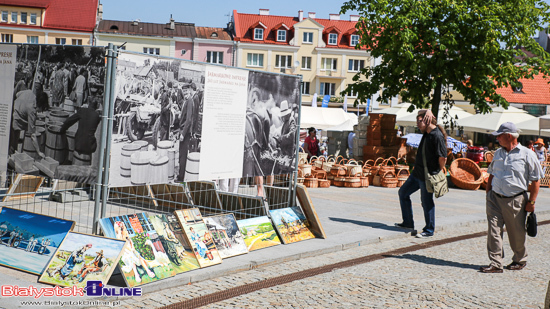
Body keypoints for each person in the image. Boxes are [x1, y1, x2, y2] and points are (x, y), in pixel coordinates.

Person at [480, 122, 542, 273]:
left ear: (509, 136)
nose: (497, 139)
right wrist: (488, 194)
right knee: (493, 230)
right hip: (494, 198)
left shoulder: (527, 154)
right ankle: (496, 263)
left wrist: (532, 202)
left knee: (516, 232)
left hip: (515, 199)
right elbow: (492, 174)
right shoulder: (498, 153)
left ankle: (519, 259)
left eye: (499, 136)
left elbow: (536, 180)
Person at [395, 109, 447, 238]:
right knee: (403, 193)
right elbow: (421, 110)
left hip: (427, 175)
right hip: (417, 174)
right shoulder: (426, 133)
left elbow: (443, 157)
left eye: (419, 121)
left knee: (426, 202)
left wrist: (436, 171)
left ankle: (429, 230)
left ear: (427, 120)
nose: (417, 124)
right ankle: (408, 222)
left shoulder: (437, 135)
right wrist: (428, 110)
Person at [60, 98, 101, 165]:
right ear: (97, 106)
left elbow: (69, 121)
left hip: (79, 143)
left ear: (88, 103)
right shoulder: (97, 116)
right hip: (90, 146)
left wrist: (62, 130)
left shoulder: (82, 111)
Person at [10, 90, 47, 158]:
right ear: (40, 105)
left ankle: (13, 155)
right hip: (14, 116)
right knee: (13, 141)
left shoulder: (31, 92)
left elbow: (17, 94)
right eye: (42, 109)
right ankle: (11, 159)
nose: (40, 112)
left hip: (14, 108)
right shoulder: (31, 110)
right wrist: (39, 152)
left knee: (16, 136)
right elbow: (32, 135)